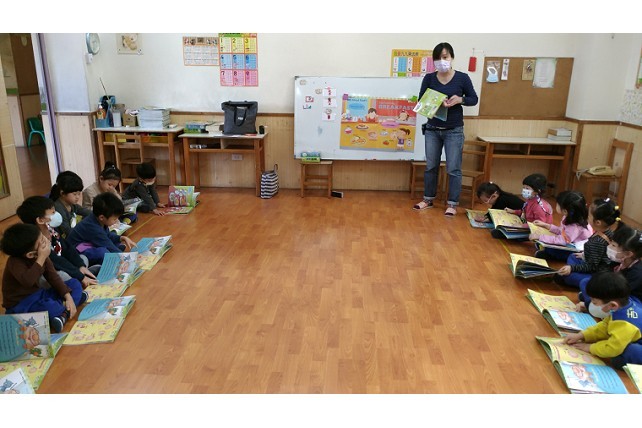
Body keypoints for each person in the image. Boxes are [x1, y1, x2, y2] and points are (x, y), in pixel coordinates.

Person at [413, 42, 478, 216]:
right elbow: (421, 101)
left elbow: (473, 99)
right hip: (432, 129)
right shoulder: (429, 78)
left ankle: (452, 204)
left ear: (451, 58)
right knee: (431, 166)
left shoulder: (462, 78)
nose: (441, 61)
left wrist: (460, 99)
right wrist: (436, 100)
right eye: (437, 58)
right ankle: (428, 199)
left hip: (454, 130)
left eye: (444, 57)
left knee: (453, 168)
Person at [1, 223, 87, 333]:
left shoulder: (42, 255)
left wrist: (68, 296)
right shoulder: (14, 263)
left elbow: (53, 277)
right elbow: (28, 281)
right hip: (21, 304)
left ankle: (63, 313)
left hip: (40, 294)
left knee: (74, 283)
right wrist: (41, 258)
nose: (46, 240)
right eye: (42, 241)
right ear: (30, 255)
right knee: (51, 306)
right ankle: (67, 307)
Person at [563, 271, 642, 369]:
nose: (592, 304)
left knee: (622, 355)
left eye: (595, 303)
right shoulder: (621, 308)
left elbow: (612, 348)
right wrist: (581, 335)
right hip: (630, 339)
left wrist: (590, 348)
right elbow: (604, 327)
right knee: (612, 343)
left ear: (613, 305)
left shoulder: (626, 324)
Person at [16, 196, 100, 288]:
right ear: (40, 220)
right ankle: (79, 281)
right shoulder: (37, 241)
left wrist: (80, 266)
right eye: (53, 213)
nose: (56, 214)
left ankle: (81, 276)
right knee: (63, 276)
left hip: (61, 264)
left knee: (82, 258)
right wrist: (79, 276)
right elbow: (56, 261)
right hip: (47, 274)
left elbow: (67, 248)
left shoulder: (51, 230)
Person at [554, 198, 622, 289]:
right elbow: (600, 254)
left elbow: (592, 266)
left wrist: (572, 268)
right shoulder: (607, 231)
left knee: (564, 276)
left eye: (589, 216)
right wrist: (584, 255)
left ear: (598, 222)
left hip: (597, 274)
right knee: (573, 256)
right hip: (598, 265)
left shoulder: (597, 242)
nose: (587, 217)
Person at [577, 225, 642, 314]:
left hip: (628, 301)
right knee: (585, 282)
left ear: (628, 254)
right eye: (611, 243)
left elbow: (619, 295)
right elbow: (604, 278)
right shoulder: (618, 260)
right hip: (612, 292)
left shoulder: (637, 273)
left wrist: (588, 303)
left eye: (614, 245)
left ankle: (590, 302)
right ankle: (592, 302)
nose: (609, 246)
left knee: (596, 307)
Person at [67, 192, 136, 266]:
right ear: (102, 217)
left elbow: (107, 235)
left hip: (90, 243)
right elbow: (107, 244)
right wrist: (127, 259)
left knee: (113, 243)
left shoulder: (98, 219)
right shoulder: (93, 227)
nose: (117, 221)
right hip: (78, 251)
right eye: (114, 219)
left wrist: (121, 238)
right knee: (103, 252)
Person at [530, 191, 593, 260]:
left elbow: (562, 241)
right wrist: (546, 225)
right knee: (549, 242)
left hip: (578, 249)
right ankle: (545, 248)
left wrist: (540, 237)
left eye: (557, 204)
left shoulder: (574, 227)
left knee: (557, 251)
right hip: (569, 241)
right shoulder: (570, 217)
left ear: (565, 211)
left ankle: (549, 254)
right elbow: (562, 231)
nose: (556, 205)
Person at [490, 173, 553, 239]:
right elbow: (524, 212)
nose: (524, 190)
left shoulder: (538, 206)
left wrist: (522, 226)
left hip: (537, 230)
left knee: (499, 233)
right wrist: (514, 211)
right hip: (528, 224)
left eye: (527, 188)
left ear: (537, 191)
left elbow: (539, 224)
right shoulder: (530, 200)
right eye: (524, 187)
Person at [49, 171, 92, 239]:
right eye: (74, 194)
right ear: (62, 193)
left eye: (79, 194)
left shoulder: (72, 205)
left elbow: (87, 212)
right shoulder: (58, 209)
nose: (77, 197)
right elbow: (67, 231)